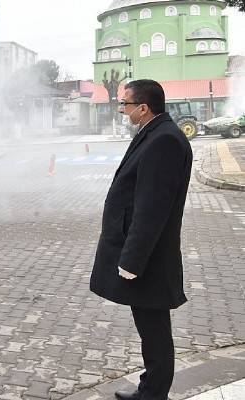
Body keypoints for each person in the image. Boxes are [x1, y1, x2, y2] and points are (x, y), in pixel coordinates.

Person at [90, 80, 193, 400]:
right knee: (152, 328)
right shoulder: (156, 133)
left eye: (125, 104)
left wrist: (131, 260)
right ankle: (151, 389)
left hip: (148, 259)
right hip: (148, 256)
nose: (122, 109)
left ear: (143, 108)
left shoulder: (164, 141)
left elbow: (152, 208)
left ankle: (152, 394)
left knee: (155, 330)